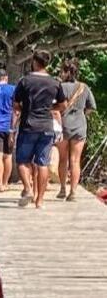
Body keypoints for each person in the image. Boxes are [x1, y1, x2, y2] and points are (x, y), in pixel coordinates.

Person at [12, 51, 67, 208]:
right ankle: (40, 201)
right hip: (47, 126)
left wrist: (24, 109)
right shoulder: (55, 83)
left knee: (23, 161)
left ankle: (28, 189)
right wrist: (50, 108)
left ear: (34, 61)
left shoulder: (25, 81)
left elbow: (15, 104)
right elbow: (63, 105)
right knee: (43, 164)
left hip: (28, 125)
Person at [56, 58, 97, 202]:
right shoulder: (84, 87)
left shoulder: (59, 87)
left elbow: (54, 107)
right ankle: (73, 192)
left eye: (62, 71)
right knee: (75, 160)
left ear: (67, 72)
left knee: (63, 159)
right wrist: (81, 113)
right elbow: (91, 107)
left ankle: (62, 189)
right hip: (79, 125)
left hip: (63, 125)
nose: (60, 74)